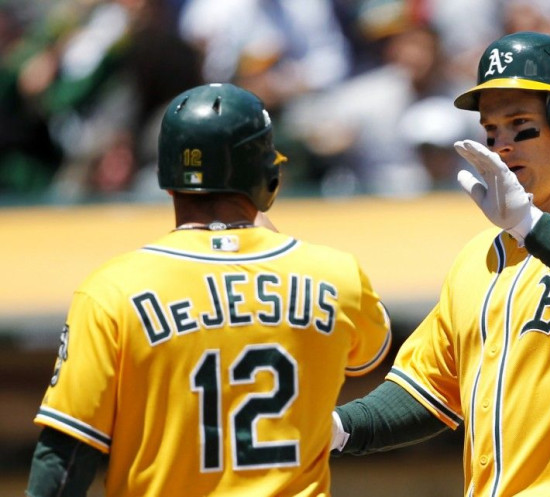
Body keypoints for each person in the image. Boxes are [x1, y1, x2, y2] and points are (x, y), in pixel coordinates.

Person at [331, 31, 550, 496]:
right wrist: (340, 427)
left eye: (520, 124)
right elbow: (429, 388)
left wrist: (531, 226)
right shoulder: (477, 260)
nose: (501, 146)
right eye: (489, 131)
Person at [26, 83, 392, 497]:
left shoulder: (111, 289)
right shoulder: (335, 274)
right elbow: (371, 354)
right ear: (267, 178)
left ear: (167, 179)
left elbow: (64, 458)